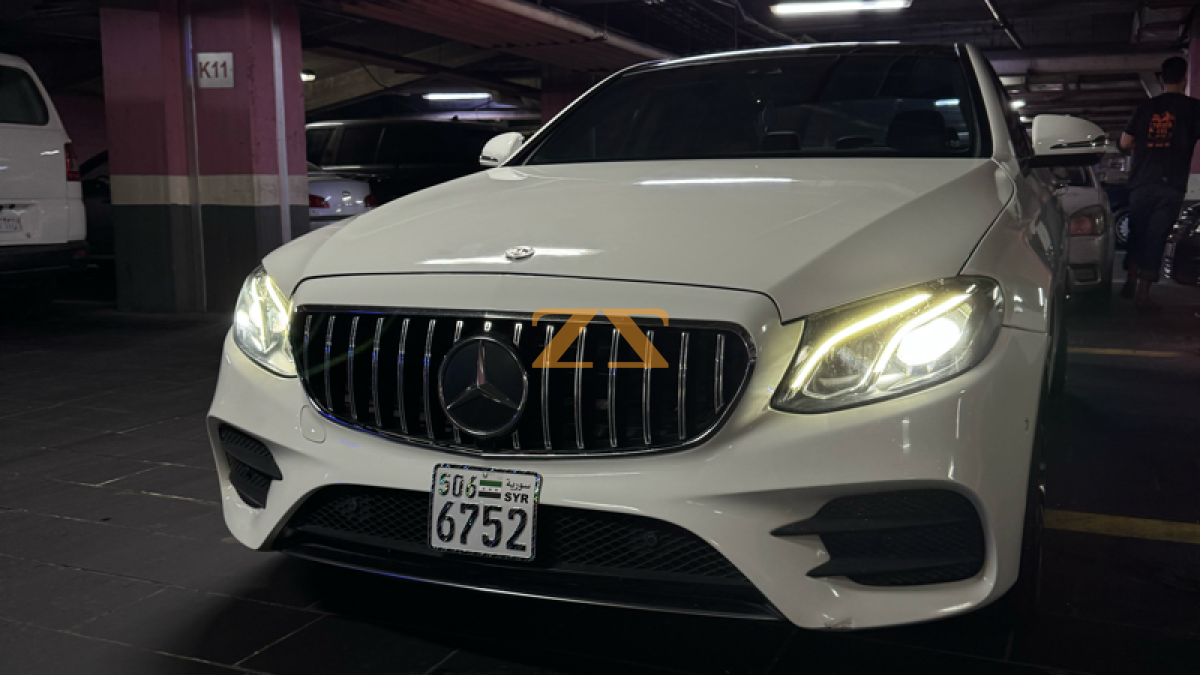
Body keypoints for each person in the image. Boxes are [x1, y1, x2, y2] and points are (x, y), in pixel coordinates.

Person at [1119, 56, 1200, 309]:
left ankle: (1130, 279)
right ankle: (1143, 294)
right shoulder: (1194, 109)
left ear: (1162, 78)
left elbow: (1125, 142)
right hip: (1171, 183)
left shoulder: (1145, 107)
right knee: (1157, 235)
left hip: (1142, 180)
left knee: (1137, 232)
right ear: (1185, 78)